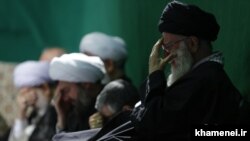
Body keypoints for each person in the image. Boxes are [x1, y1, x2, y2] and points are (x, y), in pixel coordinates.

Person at [89, 1, 242, 140]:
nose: (166, 56)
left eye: (168, 47)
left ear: (193, 44)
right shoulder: (201, 75)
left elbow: (151, 123)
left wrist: (155, 74)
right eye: (163, 48)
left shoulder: (204, 80)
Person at [49, 53, 106, 133]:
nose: (64, 98)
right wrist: (62, 119)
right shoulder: (74, 112)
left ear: (86, 84)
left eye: (66, 91)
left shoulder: (107, 108)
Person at [8, 61, 57, 141]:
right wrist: (21, 113)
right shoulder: (35, 114)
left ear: (45, 89)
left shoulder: (54, 114)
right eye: (21, 93)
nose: (23, 98)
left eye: (27, 92)